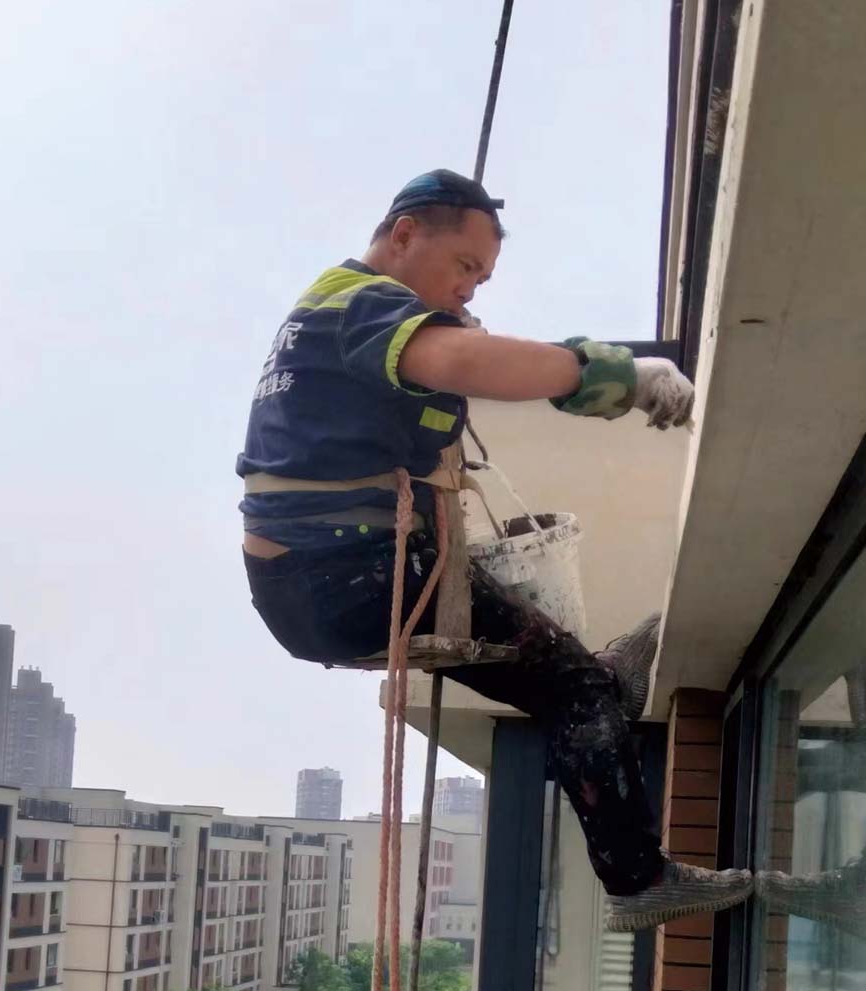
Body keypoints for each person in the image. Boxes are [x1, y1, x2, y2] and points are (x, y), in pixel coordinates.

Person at [237, 168, 753, 929]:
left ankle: (607, 683)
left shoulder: (332, 313)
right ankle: (639, 880)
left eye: (481, 278)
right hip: (352, 571)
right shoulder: (362, 304)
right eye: (465, 266)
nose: (470, 288)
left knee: (569, 683)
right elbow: (460, 363)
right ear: (404, 234)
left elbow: (430, 394)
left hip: (309, 581)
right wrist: (616, 375)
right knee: (575, 689)